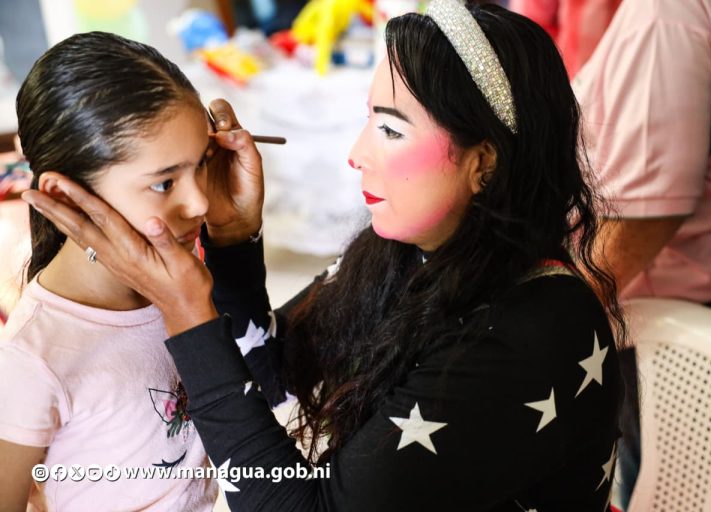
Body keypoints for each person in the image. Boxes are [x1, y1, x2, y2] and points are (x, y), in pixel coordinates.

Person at [23, 2, 627, 510]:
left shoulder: (530, 330)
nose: (356, 154)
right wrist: (232, 245)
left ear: (484, 163)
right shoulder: (405, 254)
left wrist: (188, 315)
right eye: (368, 120)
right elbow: (277, 376)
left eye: (390, 129)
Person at [0, 32, 225, 511]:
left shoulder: (186, 285)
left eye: (202, 165)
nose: (199, 202)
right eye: (164, 182)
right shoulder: (34, 357)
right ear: (63, 196)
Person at [572, 0, 711, 508]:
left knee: (671, 490)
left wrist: (558, 313)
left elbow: (647, 212)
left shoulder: (671, 14)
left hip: (691, 319)